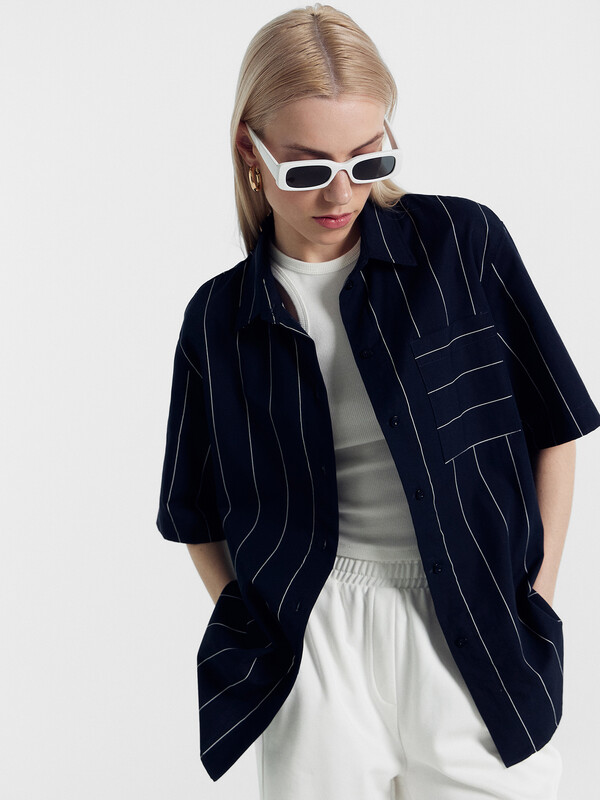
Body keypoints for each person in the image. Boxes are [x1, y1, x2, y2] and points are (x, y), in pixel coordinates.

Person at [156, 5, 600, 798]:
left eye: (367, 160)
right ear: (250, 151)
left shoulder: (462, 245)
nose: (341, 192)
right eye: (306, 169)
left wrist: (536, 593)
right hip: (315, 641)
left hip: (471, 623)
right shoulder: (219, 318)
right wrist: (268, 626)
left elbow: (554, 426)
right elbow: (193, 510)